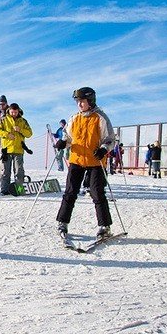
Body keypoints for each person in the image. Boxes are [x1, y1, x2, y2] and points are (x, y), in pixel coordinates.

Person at [54, 87, 115, 239]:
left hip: (95, 161)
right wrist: (63, 142)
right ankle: (62, 222)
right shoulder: (74, 118)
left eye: (82, 101)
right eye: (78, 101)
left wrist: (103, 149)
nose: (79, 104)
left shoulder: (100, 118)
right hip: (77, 159)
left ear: (90, 100)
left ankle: (104, 226)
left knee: (97, 193)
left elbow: (110, 140)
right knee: (70, 192)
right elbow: (68, 136)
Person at [0, 102, 32, 195]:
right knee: (5, 171)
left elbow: (30, 133)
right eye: (12, 112)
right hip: (6, 150)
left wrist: (20, 130)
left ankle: (19, 189)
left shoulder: (23, 121)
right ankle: (4, 190)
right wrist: (6, 134)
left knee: (19, 171)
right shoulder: (3, 120)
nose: (14, 114)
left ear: (18, 111)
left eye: (15, 112)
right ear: (8, 111)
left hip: (19, 150)